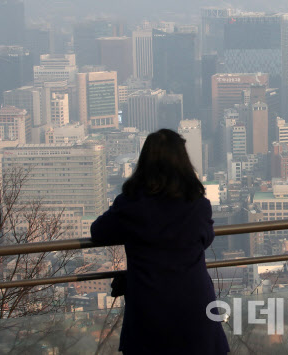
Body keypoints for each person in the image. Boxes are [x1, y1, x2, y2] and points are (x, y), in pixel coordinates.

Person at [91, 129, 230, 354]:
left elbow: (99, 232)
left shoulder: (130, 204)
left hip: (148, 304)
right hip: (194, 302)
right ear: (183, 162)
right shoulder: (197, 204)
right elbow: (204, 240)